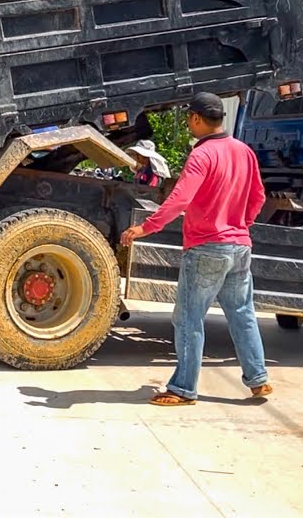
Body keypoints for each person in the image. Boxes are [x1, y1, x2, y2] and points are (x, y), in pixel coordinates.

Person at [120, 92, 271, 405]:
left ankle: (183, 388)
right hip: (239, 246)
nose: (189, 123)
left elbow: (181, 199)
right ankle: (258, 379)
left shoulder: (202, 155)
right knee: (242, 313)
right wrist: (241, 223)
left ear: (198, 119)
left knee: (188, 319)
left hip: (206, 247)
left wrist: (146, 227)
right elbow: (258, 196)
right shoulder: (244, 152)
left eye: (190, 118)